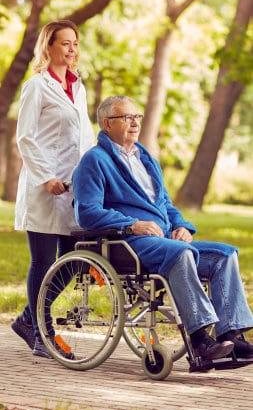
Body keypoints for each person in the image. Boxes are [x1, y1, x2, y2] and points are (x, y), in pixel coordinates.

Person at [72, 95, 253, 361]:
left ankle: (231, 336)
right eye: (126, 117)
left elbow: (165, 204)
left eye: (137, 117)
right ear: (107, 124)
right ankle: (201, 341)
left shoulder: (146, 159)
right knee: (180, 254)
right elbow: (87, 212)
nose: (134, 123)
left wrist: (182, 226)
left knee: (225, 255)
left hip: (164, 238)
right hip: (128, 242)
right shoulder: (95, 160)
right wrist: (132, 224)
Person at [12, 20, 94, 358]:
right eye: (65, 43)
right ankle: (41, 332)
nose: (72, 49)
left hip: (74, 189)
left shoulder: (78, 87)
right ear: (48, 47)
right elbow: (26, 137)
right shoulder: (36, 86)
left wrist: (93, 176)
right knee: (44, 261)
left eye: (75, 43)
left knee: (77, 259)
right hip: (44, 189)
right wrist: (46, 177)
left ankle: (29, 319)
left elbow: (84, 136)